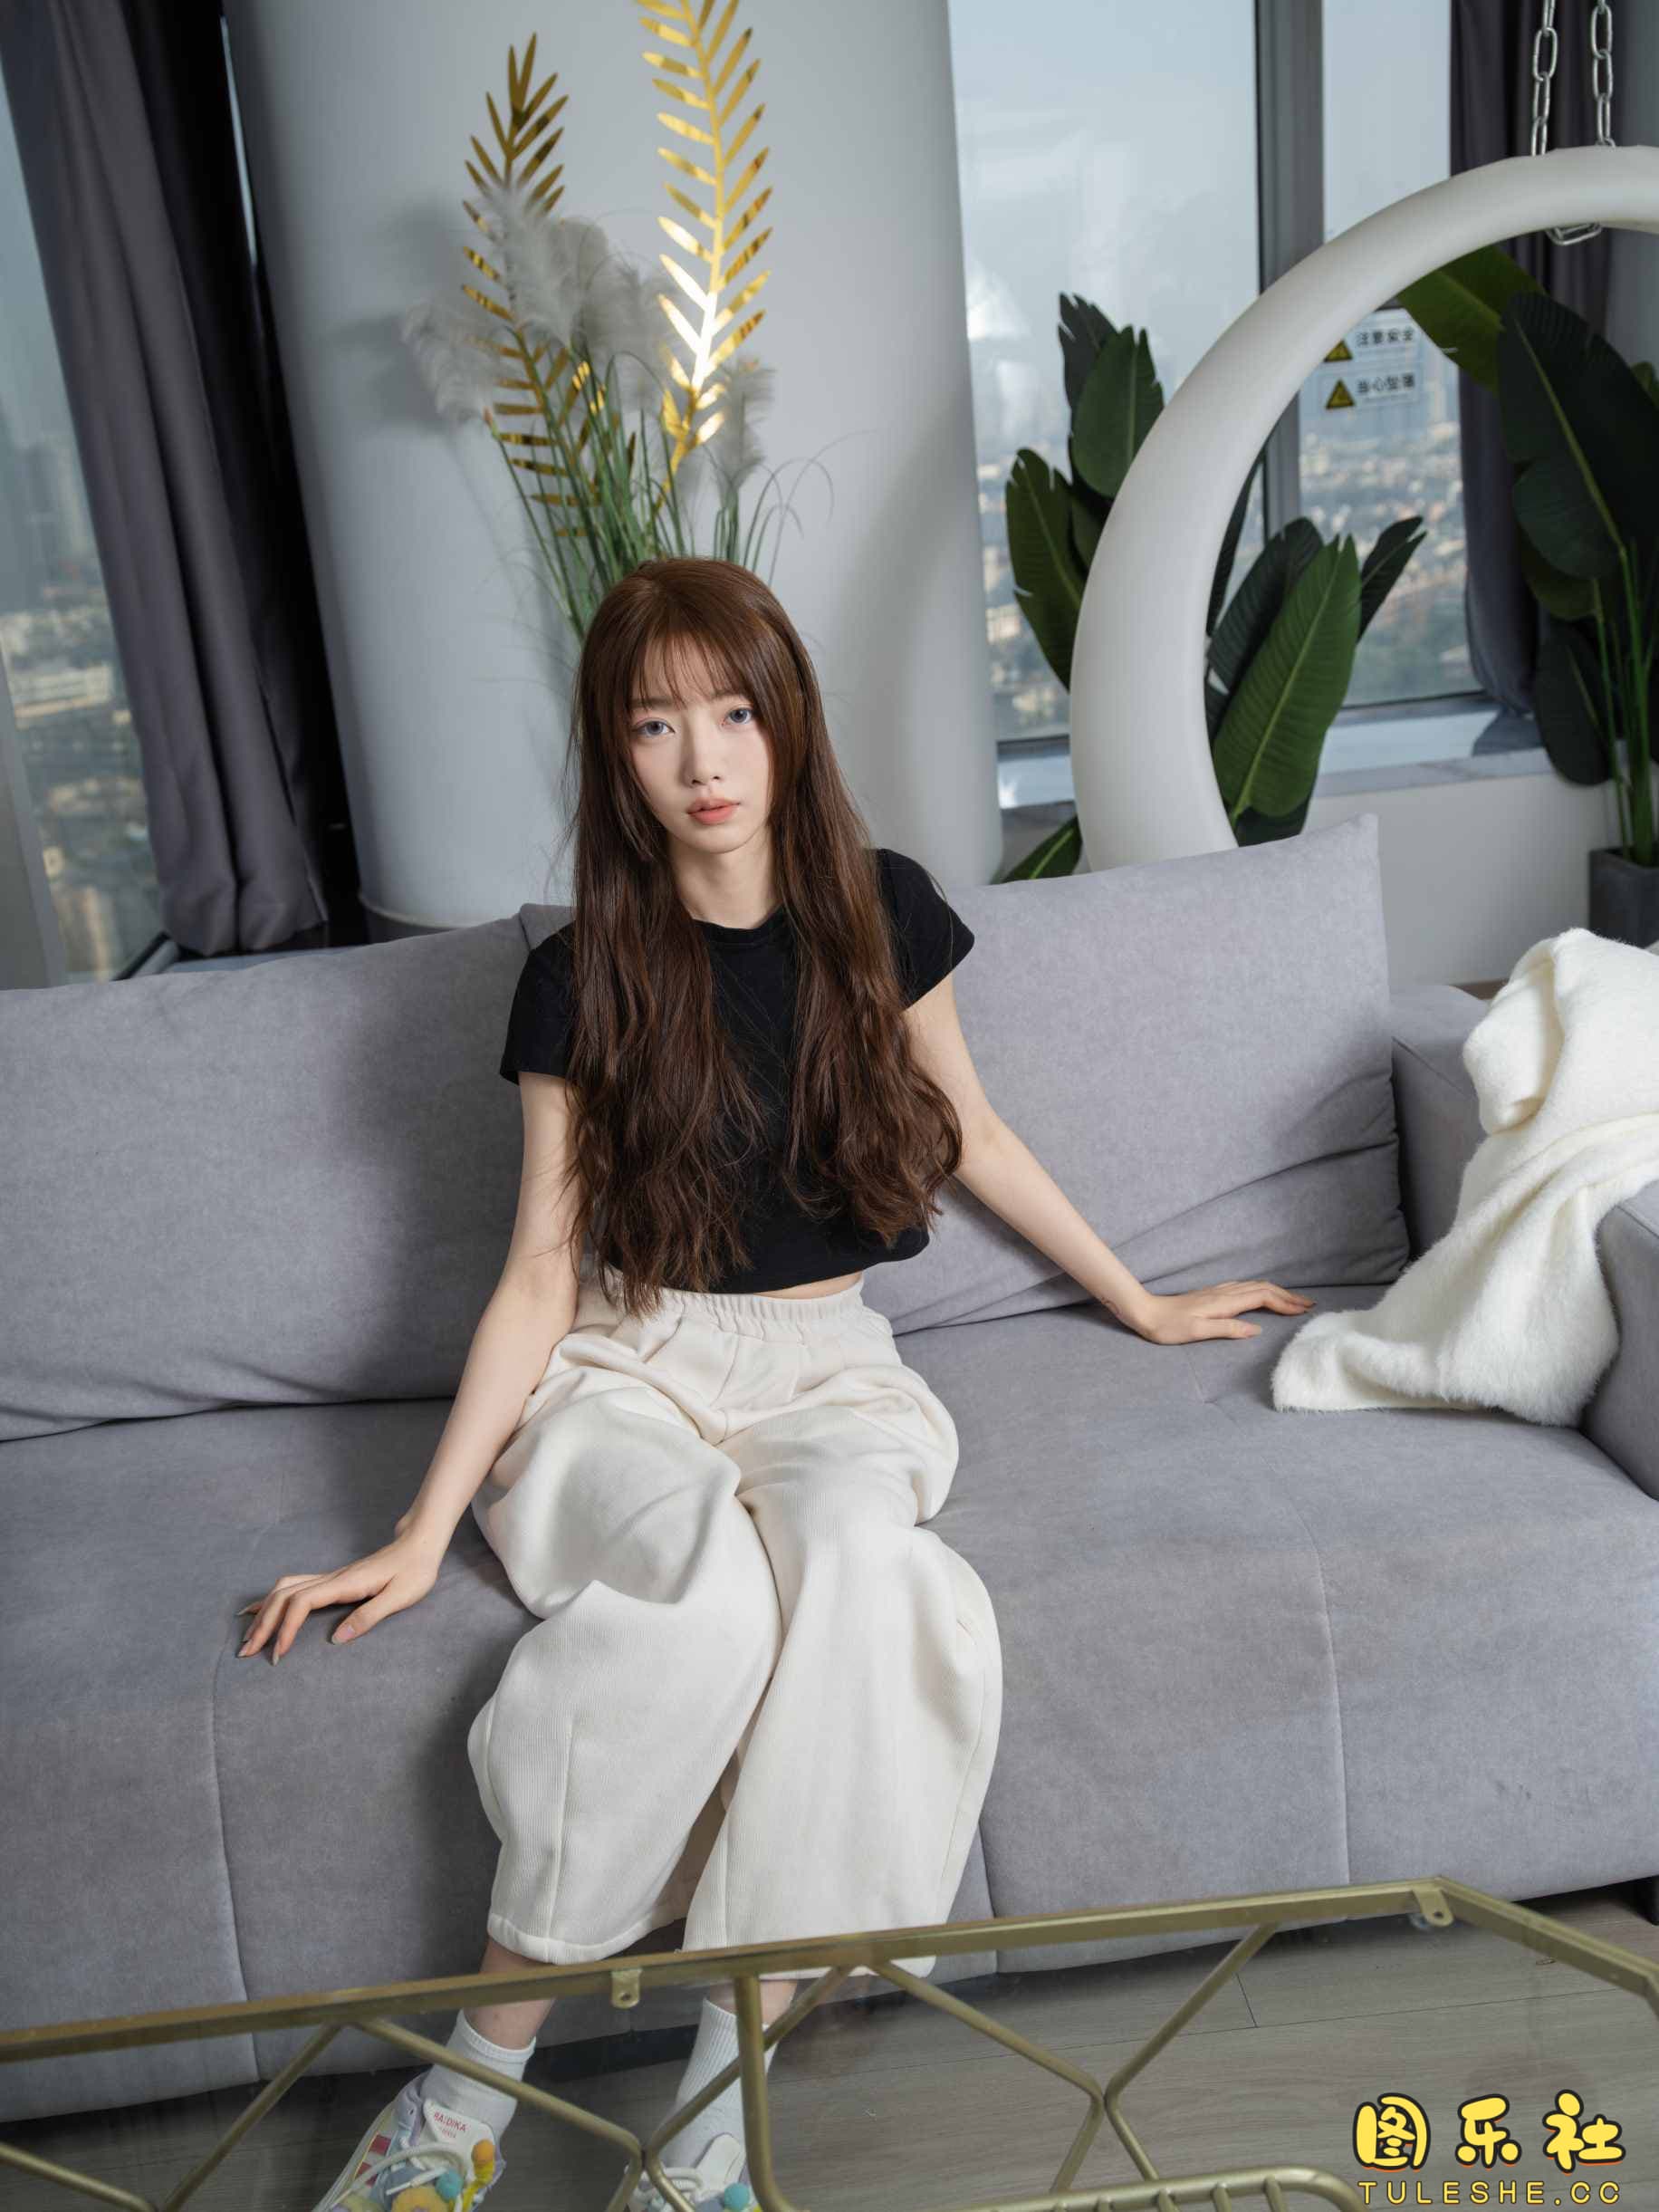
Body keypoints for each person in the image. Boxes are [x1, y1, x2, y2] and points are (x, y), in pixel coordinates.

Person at [236, 556, 1315, 2212]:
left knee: (874, 1584)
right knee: (710, 1609)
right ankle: (463, 2102)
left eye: (735, 712)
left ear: (789, 720)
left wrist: (1143, 1298)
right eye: (655, 724)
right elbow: (539, 1272)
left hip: (830, 1370)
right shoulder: (581, 974)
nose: (703, 759)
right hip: (631, 1365)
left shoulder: (884, 910)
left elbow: (973, 1134)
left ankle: (705, 2130)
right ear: (616, 755)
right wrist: (418, 1528)